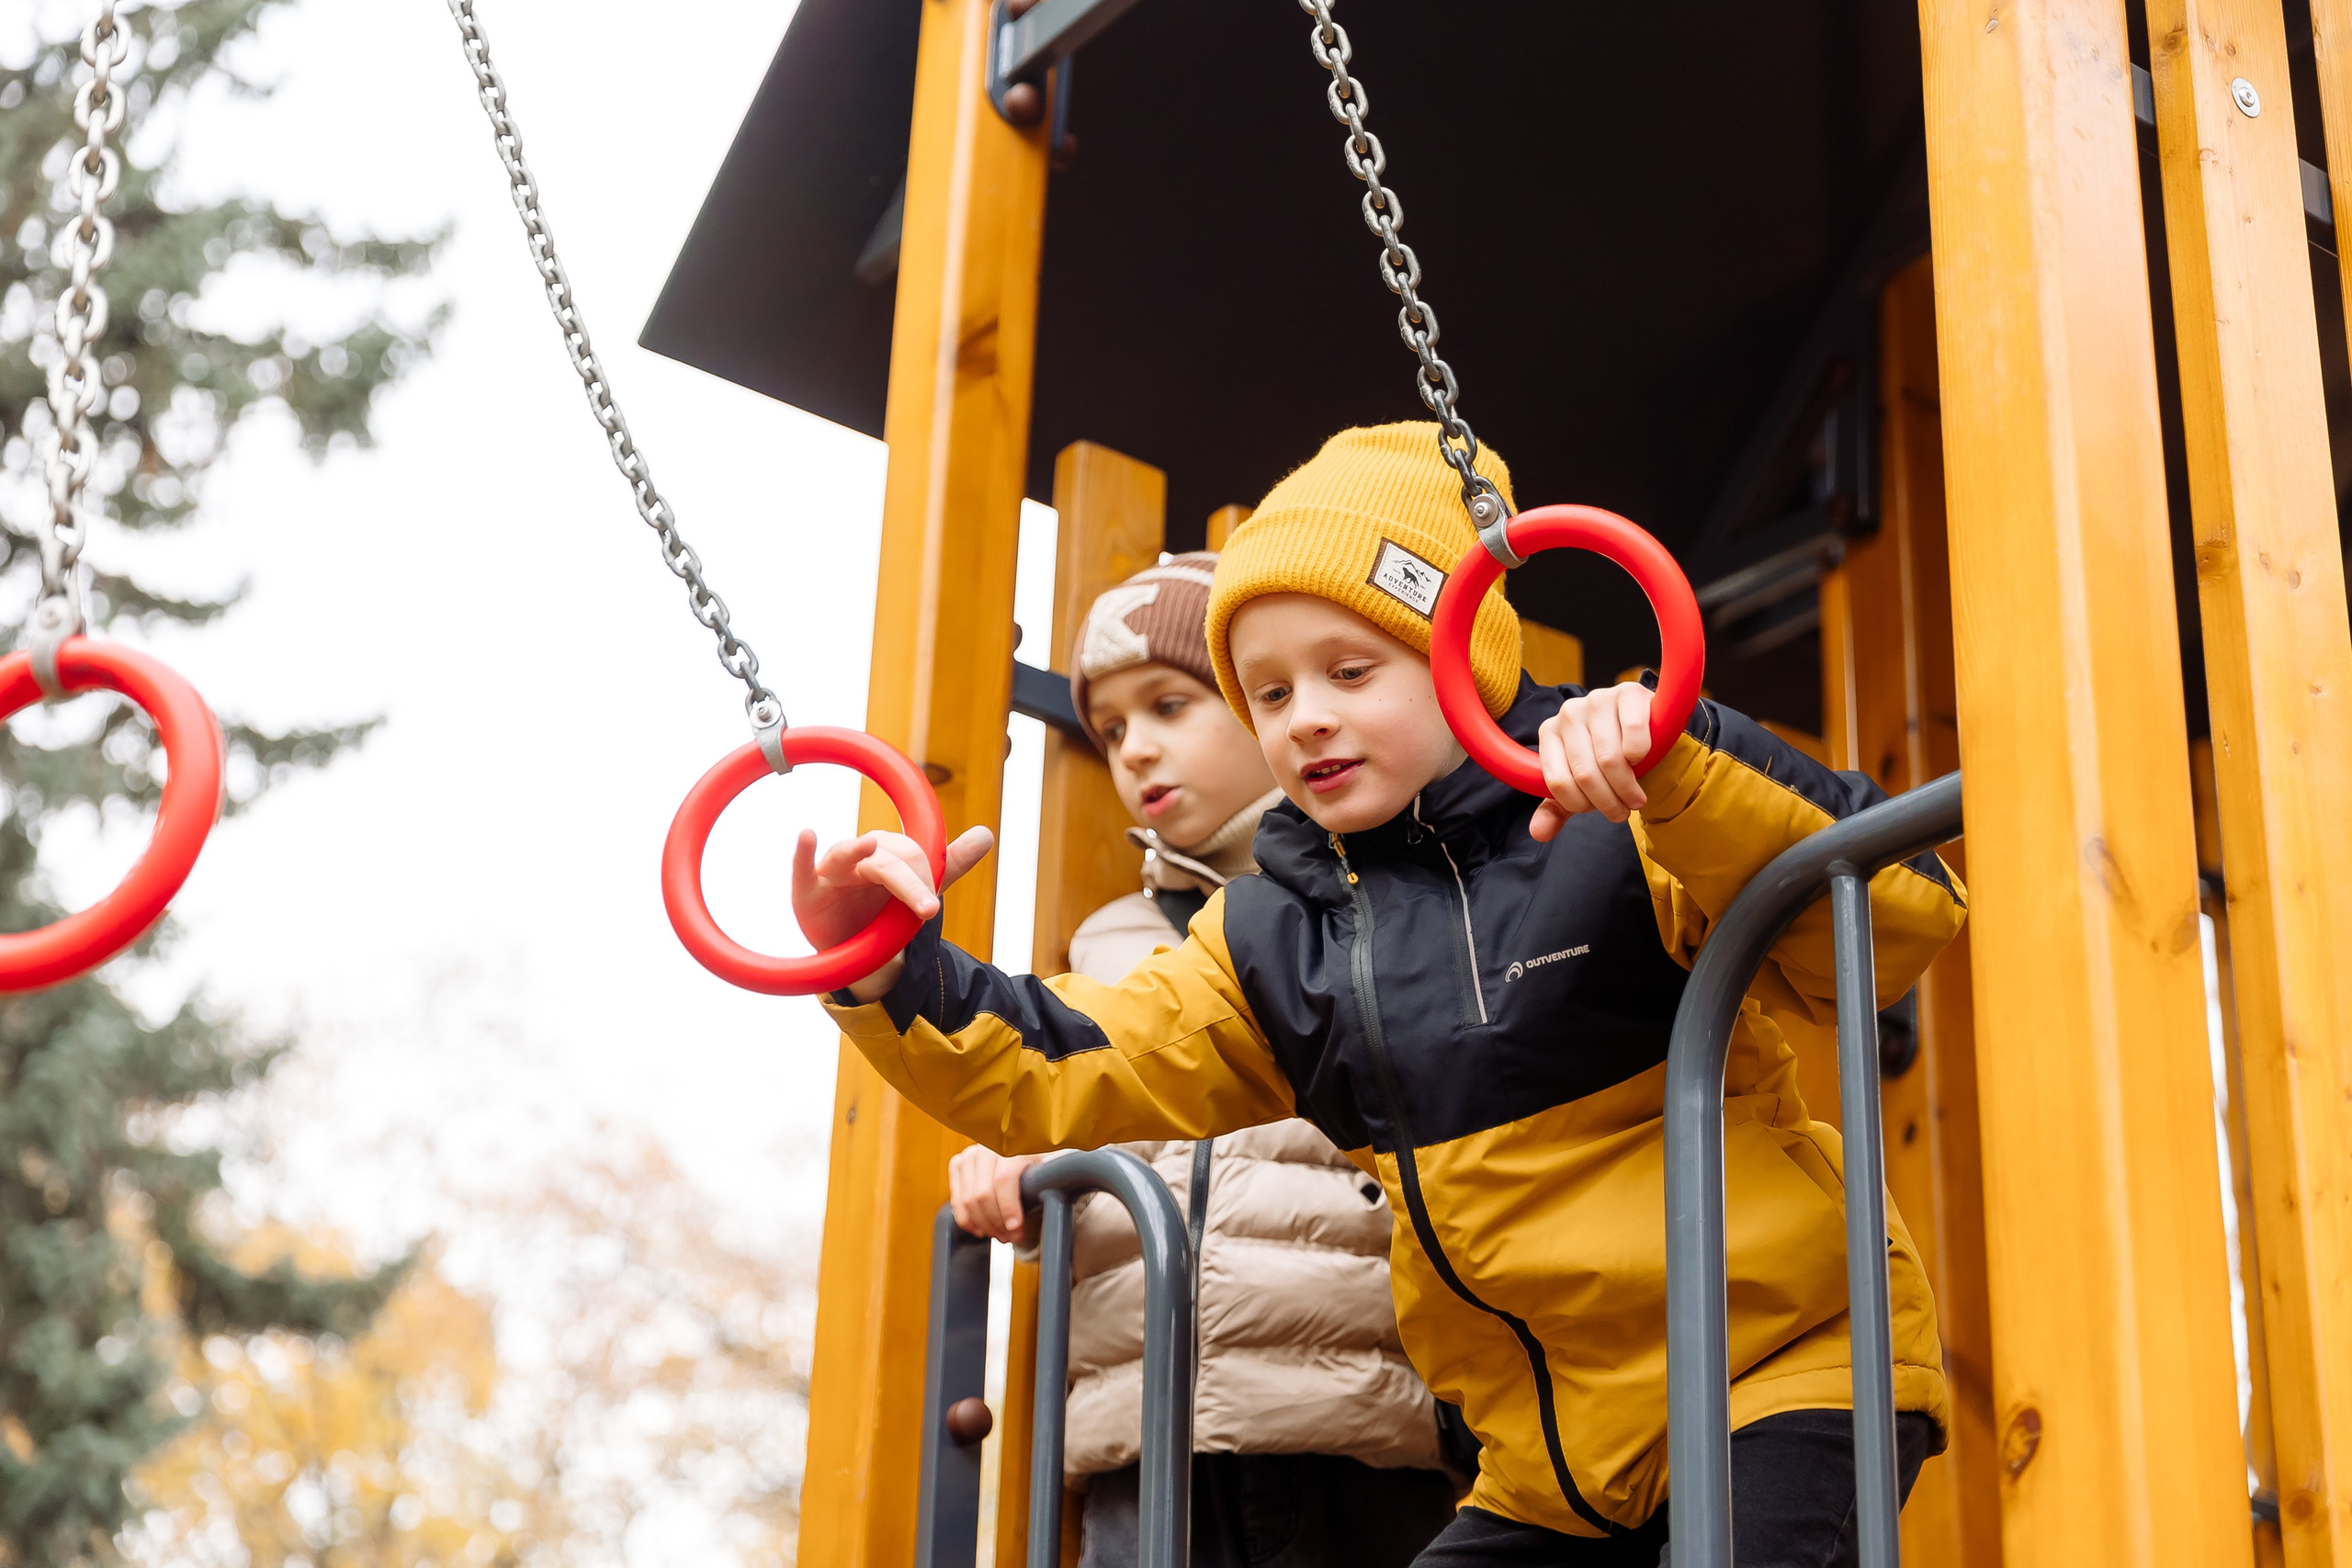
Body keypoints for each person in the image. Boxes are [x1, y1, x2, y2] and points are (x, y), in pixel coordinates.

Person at [795, 423, 1967, 1566]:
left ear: (1463, 658)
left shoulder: (1621, 818)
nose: (1304, 713)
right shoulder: (1277, 937)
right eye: (1266, 694)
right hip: (1555, 1466)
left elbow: (1892, 915)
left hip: (1779, 1376)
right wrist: (888, 968)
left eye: (1349, 671)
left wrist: (1684, 757)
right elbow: (1074, 1061)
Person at [947, 553, 1463, 1568]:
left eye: (1169, 705)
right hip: (1144, 1433)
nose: (1136, 747)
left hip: (1349, 1419)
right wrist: (1029, 1168)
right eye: (1111, 730)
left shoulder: (1375, 907)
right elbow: (1087, 1096)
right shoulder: (1107, 943)